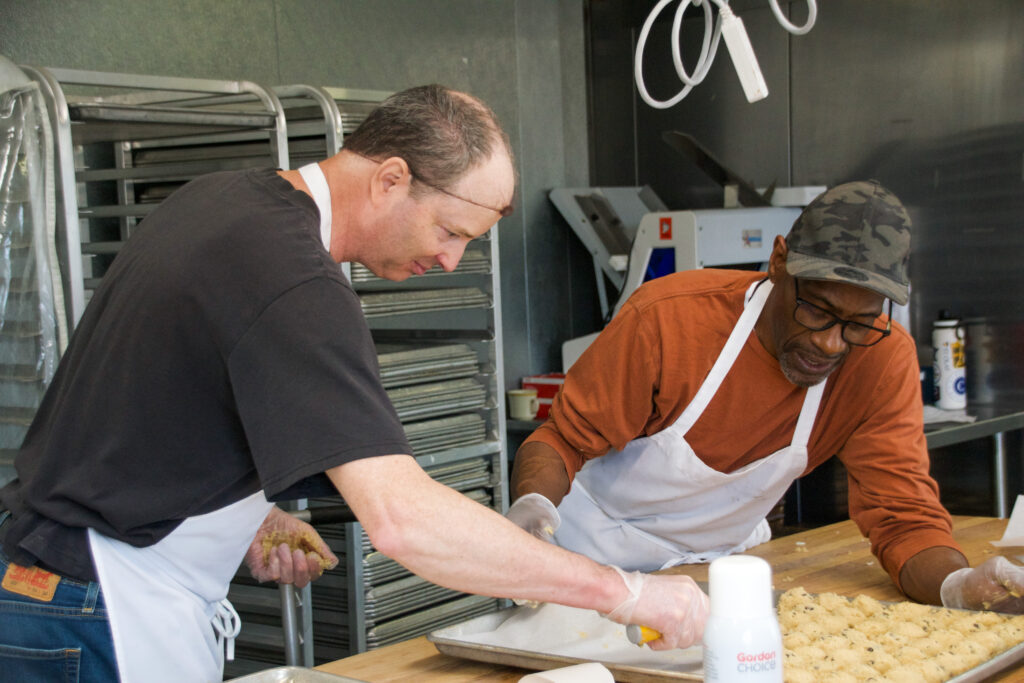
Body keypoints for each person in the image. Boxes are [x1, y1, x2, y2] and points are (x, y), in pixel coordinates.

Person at [0, 84, 708, 683]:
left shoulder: (225, 205)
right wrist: (623, 592)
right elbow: (402, 520)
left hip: (45, 584)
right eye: (450, 229)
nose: (451, 259)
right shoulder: (294, 278)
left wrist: (243, 515)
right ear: (391, 178)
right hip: (97, 614)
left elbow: (152, 406)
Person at [508, 180, 1024, 615]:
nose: (830, 342)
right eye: (818, 310)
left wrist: (957, 587)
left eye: (859, 323)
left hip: (711, 576)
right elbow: (561, 441)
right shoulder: (669, 321)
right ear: (779, 262)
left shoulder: (882, 359)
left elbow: (903, 517)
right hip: (584, 564)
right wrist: (531, 516)